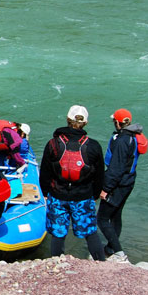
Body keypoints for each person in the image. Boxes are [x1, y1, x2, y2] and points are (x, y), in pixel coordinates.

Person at [39, 105, 106, 261]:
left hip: (57, 195)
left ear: (68, 119)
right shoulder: (94, 146)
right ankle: (101, 263)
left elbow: (45, 172)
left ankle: (56, 263)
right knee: (90, 232)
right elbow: (99, 175)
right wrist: (94, 194)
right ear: (85, 123)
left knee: (58, 233)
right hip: (83, 196)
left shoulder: (53, 144)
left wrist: (45, 192)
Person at [99, 108, 148, 263]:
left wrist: (105, 189)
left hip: (118, 184)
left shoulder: (121, 141)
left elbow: (116, 169)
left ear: (118, 123)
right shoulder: (132, 136)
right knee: (116, 215)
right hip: (128, 181)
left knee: (101, 219)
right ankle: (110, 249)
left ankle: (119, 253)